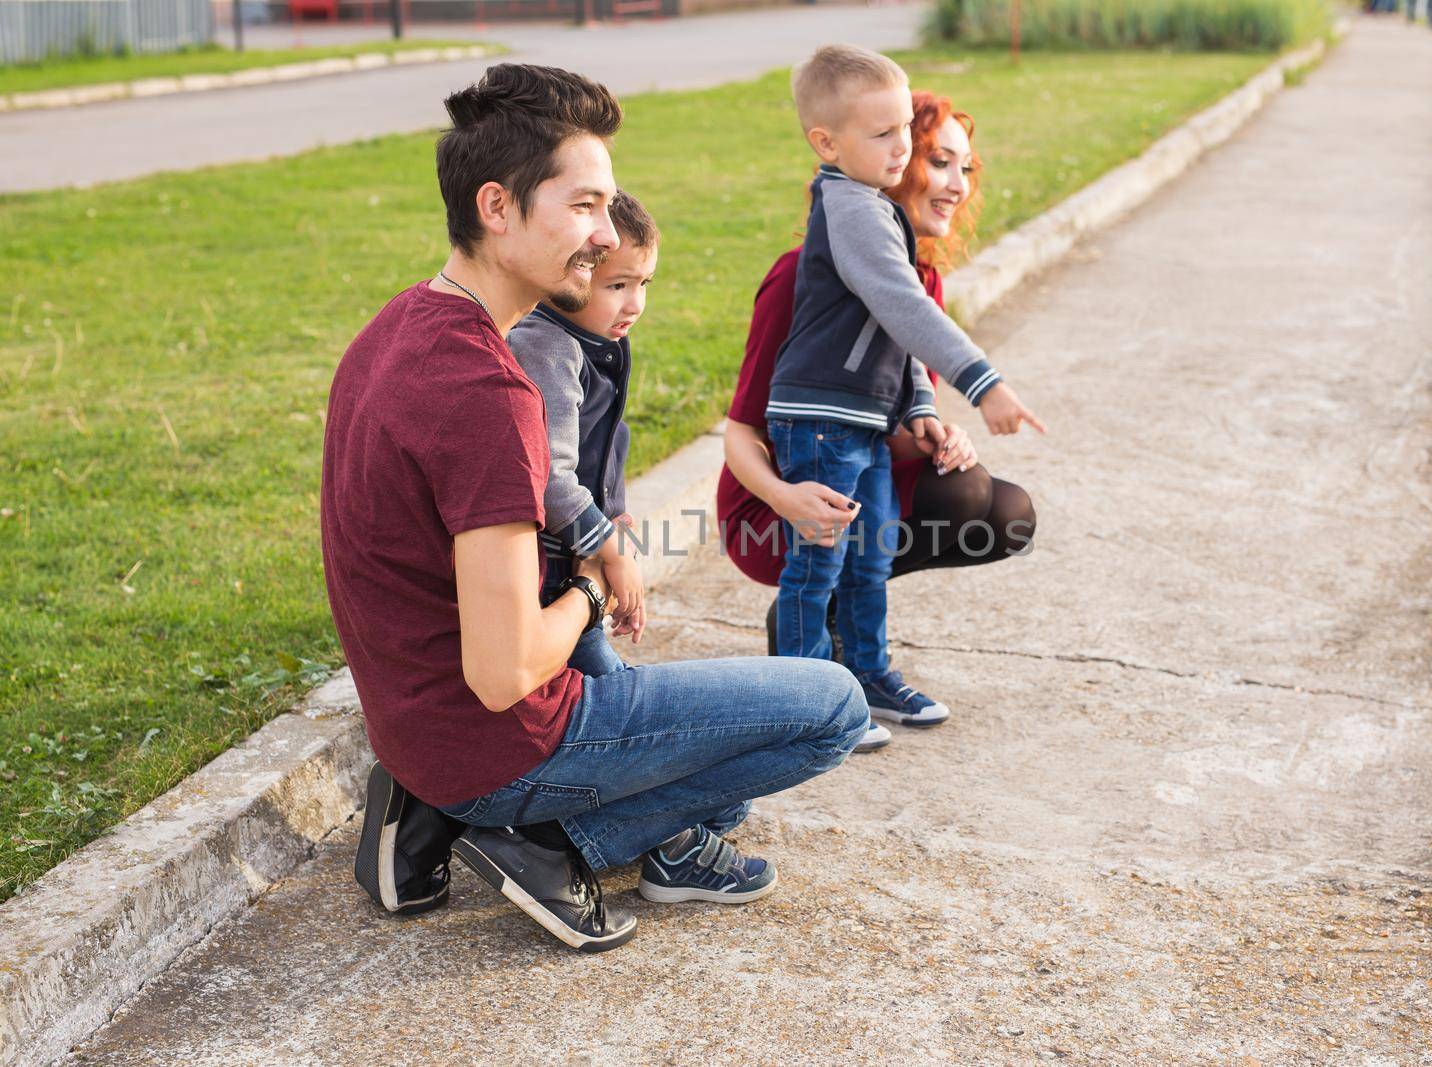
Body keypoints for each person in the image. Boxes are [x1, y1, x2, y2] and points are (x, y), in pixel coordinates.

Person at [323, 63, 868, 954]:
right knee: (832, 706)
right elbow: (504, 674)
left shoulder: (400, 326)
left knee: (721, 776)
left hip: (420, 728)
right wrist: (587, 581)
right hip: (499, 739)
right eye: (583, 208)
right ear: (497, 208)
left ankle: (458, 808)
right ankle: (537, 836)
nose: (605, 234)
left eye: (608, 207)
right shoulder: (487, 392)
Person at [753, 45, 1045, 746]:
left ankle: (866, 674)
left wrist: (920, 407)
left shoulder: (879, 216)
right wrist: (984, 384)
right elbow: (901, 305)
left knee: (869, 557)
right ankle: (805, 700)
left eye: (903, 131)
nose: (901, 147)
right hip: (821, 423)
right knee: (821, 560)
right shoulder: (851, 208)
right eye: (883, 134)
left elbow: (896, 334)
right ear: (826, 142)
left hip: (863, 425)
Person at [505, 189, 658, 678]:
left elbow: (606, 441)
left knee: (600, 679)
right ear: (574, 269)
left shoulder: (597, 341)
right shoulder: (549, 347)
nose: (634, 304)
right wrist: (609, 549)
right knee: (610, 690)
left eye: (644, 283)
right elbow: (550, 478)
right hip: (548, 572)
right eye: (617, 285)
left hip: (580, 550)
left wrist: (616, 522)